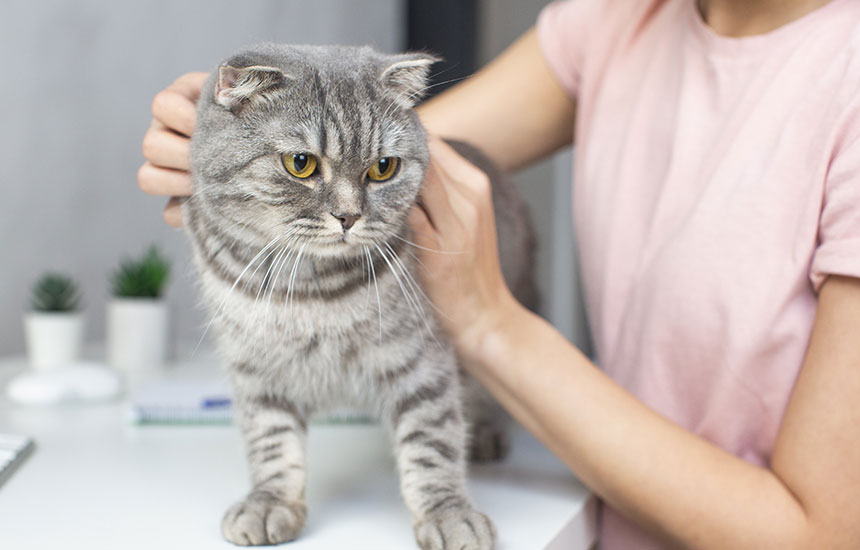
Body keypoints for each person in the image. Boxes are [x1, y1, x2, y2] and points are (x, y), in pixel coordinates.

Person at [139, 0, 860, 547]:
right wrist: (229, 163)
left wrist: (487, 321)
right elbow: (397, 146)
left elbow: (821, 532)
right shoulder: (619, 18)